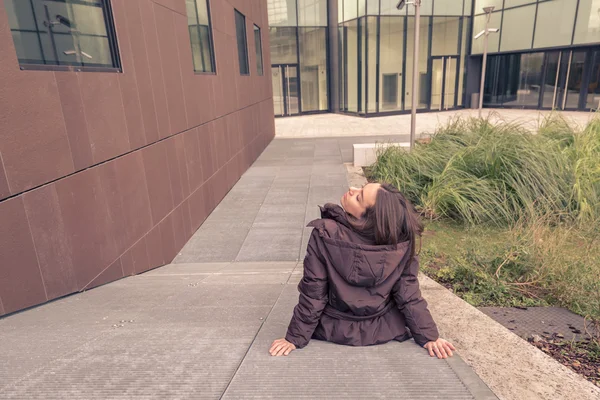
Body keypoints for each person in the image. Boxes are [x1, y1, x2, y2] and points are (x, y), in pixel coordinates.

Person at [269, 182, 455, 359]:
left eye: (359, 197)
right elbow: (408, 294)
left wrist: (294, 338)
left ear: (366, 220)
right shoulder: (399, 244)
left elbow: (314, 292)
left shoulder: (324, 234)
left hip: (332, 326)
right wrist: (429, 335)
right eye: (360, 188)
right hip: (383, 327)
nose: (352, 189)